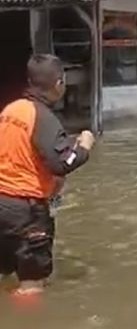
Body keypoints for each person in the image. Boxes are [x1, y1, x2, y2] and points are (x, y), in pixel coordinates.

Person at [0, 54, 94, 297]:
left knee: (5, 271)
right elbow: (63, 163)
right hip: (26, 211)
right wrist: (84, 146)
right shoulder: (42, 117)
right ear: (59, 84)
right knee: (31, 284)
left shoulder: (11, 110)